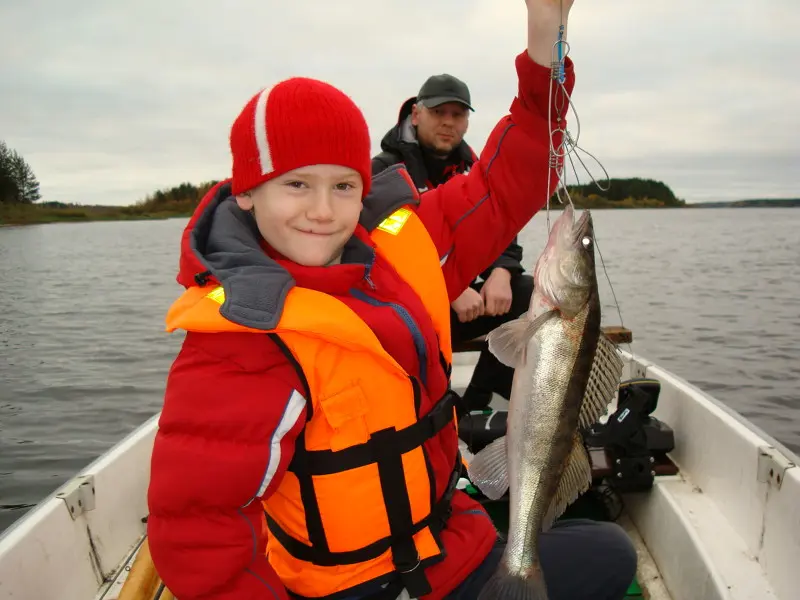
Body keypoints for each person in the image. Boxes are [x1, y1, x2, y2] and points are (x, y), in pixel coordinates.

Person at [146, 1, 637, 599]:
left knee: (610, 554)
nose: (322, 210)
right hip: (347, 586)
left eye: (344, 185)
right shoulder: (234, 345)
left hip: (446, 547)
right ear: (247, 192)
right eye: (296, 183)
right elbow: (198, 534)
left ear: (364, 188)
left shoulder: (403, 247)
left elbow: (509, 181)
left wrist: (545, 38)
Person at [371, 72, 533, 414]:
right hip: (406, 306)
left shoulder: (474, 170)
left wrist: (502, 271)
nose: (448, 122)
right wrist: (450, 288)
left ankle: (477, 400)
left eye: (457, 114)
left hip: (460, 300)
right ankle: (426, 405)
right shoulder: (383, 171)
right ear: (416, 115)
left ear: (467, 122)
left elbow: (499, 223)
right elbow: (376, 249)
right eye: (438, 112)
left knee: (530, 296)